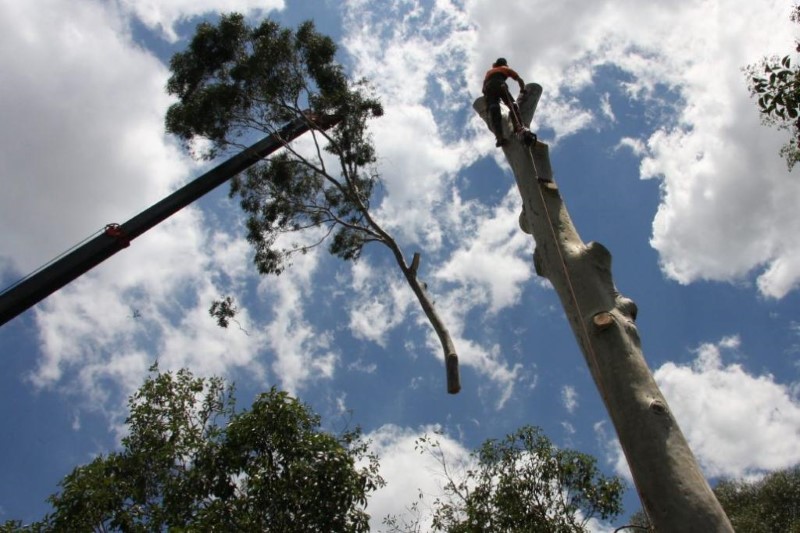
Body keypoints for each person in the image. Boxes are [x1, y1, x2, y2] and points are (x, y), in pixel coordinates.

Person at [482, 58, 526, 147]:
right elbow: (519, 80)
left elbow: (483, 89)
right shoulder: (505, 68)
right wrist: (523, 90)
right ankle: (519, 128)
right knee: (512, 106)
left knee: (494, 110)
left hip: (488, 89)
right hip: (500, 85)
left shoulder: (489, 71)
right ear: (504, 64)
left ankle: (499, 137)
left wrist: (488, 101)